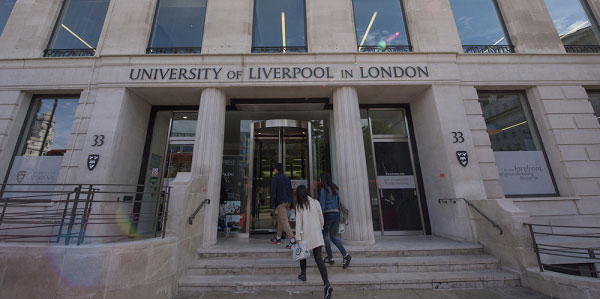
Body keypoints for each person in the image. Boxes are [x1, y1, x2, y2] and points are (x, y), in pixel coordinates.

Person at [295, 185, 333, 299]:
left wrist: (297, 237)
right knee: (319, 259)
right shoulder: (316, 202)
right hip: (317, 235)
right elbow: (321, 218)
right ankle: (327, 284)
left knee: (302, 256)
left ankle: (303, 274)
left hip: (305, 235)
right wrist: (320, 227)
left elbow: (298, 223)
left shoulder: (299, 205)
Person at [319, 172, 351, 269]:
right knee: (333, 236)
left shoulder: (324, 190)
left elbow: (322, 205)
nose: (319, 180)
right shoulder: (334, 189)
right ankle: (345, 254)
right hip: (336, 214)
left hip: (328, 215)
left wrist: (320, 217)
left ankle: (331, 258)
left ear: (323, 180)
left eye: (320, 179)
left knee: (325, 236)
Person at [269, 163, 295, 248]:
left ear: (276, 170)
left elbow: (273, 193)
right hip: (288, 202)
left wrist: (272, 205)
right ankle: (278, 238)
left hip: (280, 202)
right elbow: (290, 191)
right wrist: (291, 204)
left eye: (274, 169)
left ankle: (292, 240)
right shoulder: (286, 178)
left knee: (284, 221)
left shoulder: (275, 178)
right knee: (280, 220)